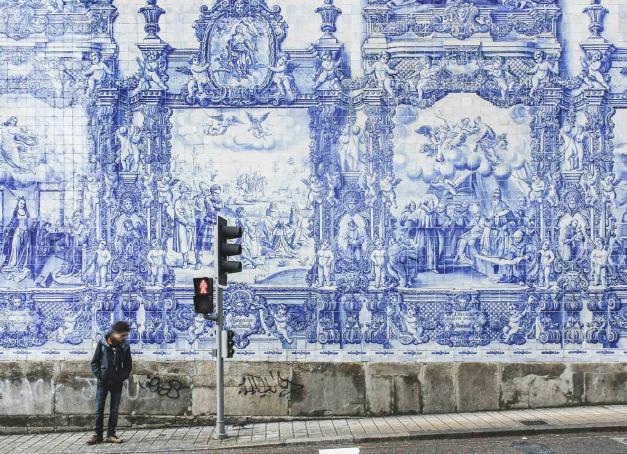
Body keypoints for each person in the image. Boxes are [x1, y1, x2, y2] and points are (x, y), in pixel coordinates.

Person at [87, 321, 132, 445]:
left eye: (125, 336)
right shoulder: (102, 343)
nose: (124, 338)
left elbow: (128, 366)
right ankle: (98, 435)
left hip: (117, 383)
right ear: (115, 333)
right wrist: (100, 375)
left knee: (114, 410)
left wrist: (121, 377)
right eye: (122, 335)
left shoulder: (125, 346)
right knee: (99, 409)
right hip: (103, 382)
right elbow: (94, 362)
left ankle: (111, 435)